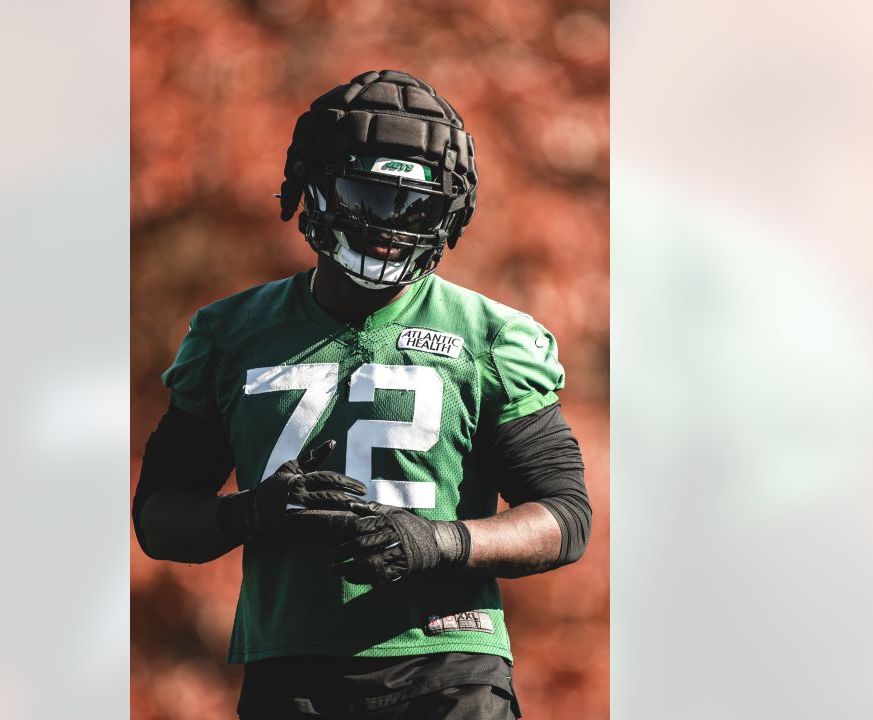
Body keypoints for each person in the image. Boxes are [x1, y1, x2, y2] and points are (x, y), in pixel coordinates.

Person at [133, 69, 591, 720]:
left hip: (449, 668)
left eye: (416, 207)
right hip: (289, 670)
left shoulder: (491, 339)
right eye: (367, 198)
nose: (390, 228)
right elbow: (156, 515)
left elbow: (565, 518)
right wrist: (250, 514)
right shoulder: (231, 334)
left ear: (449, 213)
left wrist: (442, 542)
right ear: (312, 191)